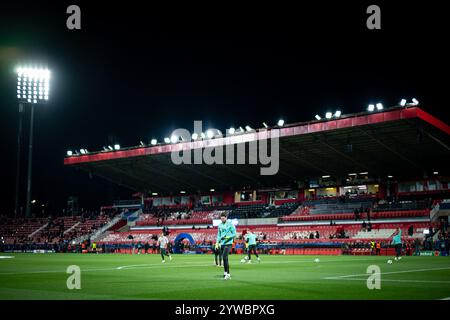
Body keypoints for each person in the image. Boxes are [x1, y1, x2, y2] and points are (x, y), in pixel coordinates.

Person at [215, 212, 236, 280]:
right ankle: (227, 273)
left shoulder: (230, 225)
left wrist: (227, 237)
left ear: (226, 218)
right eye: (221, 218)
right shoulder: (220, 225)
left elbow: (234, 234)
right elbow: (218, 235)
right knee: (225, 259)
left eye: (223, 218)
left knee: (224, 257)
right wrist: (217, 243)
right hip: (222, 244)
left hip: (228, 243)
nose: (222, 219)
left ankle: (227, 273)